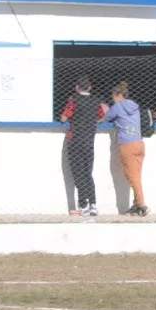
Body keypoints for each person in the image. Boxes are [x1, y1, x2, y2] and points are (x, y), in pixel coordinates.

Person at [61, 76, 106, 218]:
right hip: (89, 142)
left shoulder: (74, 100)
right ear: (90, 87)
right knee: (88, 173)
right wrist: (91, 121)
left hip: (75, 141)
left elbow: (64, 118)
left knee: (78, 173)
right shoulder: (96, 101)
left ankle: (83, 206)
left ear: (77, 88)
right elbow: (102, 117)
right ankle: (93, 205)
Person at [104, 82, 147, 216]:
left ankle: (141, 205)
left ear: (118, 95)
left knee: (132, 176)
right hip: (139, 143)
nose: (112, 99)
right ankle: (136, 205)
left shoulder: (117, 107)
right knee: (137, 176)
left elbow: (105, 119)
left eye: (113, 96)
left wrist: (106, 109)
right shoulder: (134, 106)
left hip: (127, 145)